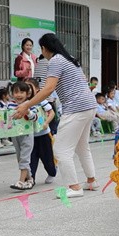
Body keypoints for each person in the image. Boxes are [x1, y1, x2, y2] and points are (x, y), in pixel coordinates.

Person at [12, 33, 98, 198]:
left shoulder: (55, 61)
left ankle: (74, 187)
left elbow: (48, 89)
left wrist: (26, 105)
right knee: (82, 147)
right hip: (89, 105)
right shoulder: (70, 59)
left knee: (60, 149)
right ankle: (91, 180)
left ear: (44, 48)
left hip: (76, 108)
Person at [7, 81, 38, 190]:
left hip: (27, 134)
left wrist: (28, 112)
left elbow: (35, 118)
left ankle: (21, 181)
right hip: (15, 135)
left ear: (27, 94)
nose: (19, 95)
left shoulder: (30, 104)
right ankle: (30, 179)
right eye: (16, 92)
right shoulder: (10, 104)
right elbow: (7, 117)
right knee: (20, 158)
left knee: (24, 158)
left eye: (21, 92)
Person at [26, 78, 57, 185]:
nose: (28, 90)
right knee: (31, 158)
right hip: (30, 136)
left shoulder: (41, 101)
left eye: (30, 87)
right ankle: (31, 178)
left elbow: (52, 113)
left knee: (47, 158)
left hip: (44, 135)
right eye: (26, 87)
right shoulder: (24, 103)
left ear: (37, 89)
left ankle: (52, 172)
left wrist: (46, 122)